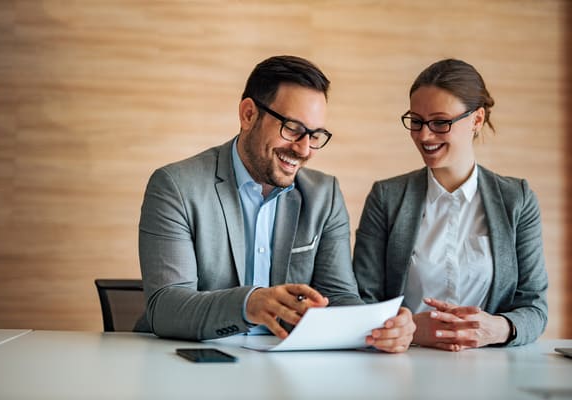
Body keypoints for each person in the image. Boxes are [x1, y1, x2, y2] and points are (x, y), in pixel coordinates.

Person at [138, 55, 415, 353]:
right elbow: (165, 306)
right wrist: (249, 304)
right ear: (248, 115)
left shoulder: (325, 195)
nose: (304, 149)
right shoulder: (176, 186)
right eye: (293, 129)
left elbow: (338, 297)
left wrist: (382, 326)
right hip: (192, 362)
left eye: (316, 135)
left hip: (288, 365)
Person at [353, 58, 548, 351]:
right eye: (416, 121)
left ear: (477, 120)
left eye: (440, 122)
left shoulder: (516, 199)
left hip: (491, 367)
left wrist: (498, 328)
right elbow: (362, 301)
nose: (424, 135)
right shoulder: (387, 197)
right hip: (403, 366)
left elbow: (534, 306)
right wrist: (412, 328)